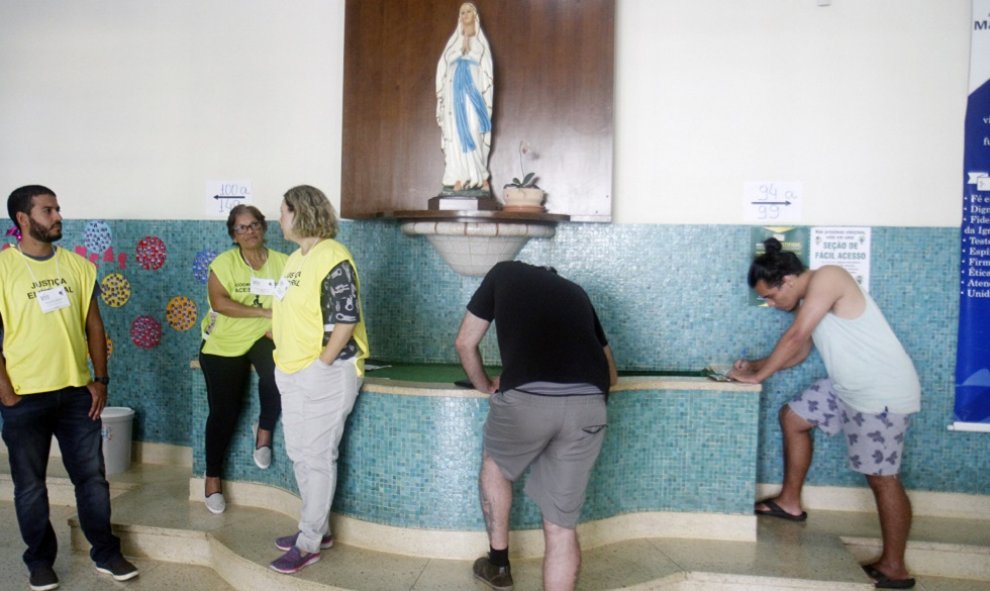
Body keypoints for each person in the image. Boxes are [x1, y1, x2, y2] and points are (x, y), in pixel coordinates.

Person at [729, 238, 921, 590]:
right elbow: (799, 352)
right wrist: (754, 366)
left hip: (881, 392)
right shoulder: (809, 299)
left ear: (787, 280)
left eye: (770, 296)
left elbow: (795, 335)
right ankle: (789, 502)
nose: (771, 305)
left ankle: (895, 567)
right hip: (848, 386)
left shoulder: (829, 277)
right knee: (793, 417)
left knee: (882, 478)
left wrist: (759, 376)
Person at [0, 185, 138, 590]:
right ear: (23, 220)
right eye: (48, 210)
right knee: (30, 485)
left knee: (92, 479)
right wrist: (5, 390)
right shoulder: (3, 269)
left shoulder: (79, 267)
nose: (58, 215)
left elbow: (94, 325)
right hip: (23, 397)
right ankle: (40, 561)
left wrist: (100, 379)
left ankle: (106, 552)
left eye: (57, 208)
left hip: (77, 394)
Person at [455, 261, 618, 591]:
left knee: (496, 465)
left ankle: (498, 565)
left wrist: (484, 384)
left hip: (527, 400)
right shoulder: (577, 292)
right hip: (589, 406)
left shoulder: (504, 272)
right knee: (561, 528)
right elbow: (611, 374)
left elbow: (464, 343)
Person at [267, 185, 370, 575]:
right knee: (298, 452)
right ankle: (318, 529)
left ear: (301, 213)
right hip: (291, 369)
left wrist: (321, 365)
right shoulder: (296, 259)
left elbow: (346, 319)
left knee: (317, 455)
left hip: (324, 372)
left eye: (283, 211)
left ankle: (308, 542)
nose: (279, 218)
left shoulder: (334, 257)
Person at [198, 204, 288, 514]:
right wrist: (265, 312)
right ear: (233, 235)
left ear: (263, 228)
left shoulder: (283, 263)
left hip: (265, 335)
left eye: (254, 225)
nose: (249, 232)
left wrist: (276, 324)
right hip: (225, 341)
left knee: (280, 374)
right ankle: (212, 478)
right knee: (225, 411)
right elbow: (220, 303)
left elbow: (293, 301)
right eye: (241, 228)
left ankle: (263, 431)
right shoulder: (223, 264)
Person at [436, 2, 494, 193]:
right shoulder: (453, 42)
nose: (465, 14)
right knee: (455, 132)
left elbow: (485, 66)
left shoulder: (480, 42)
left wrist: (469, 50)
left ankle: (479, 174)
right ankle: (458, 176)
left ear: (475, 16)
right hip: (455, 95)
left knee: (474, 128)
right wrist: (459, 52)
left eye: (469, 11)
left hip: (473, 93)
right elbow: (444, 65)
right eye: (462, 12)